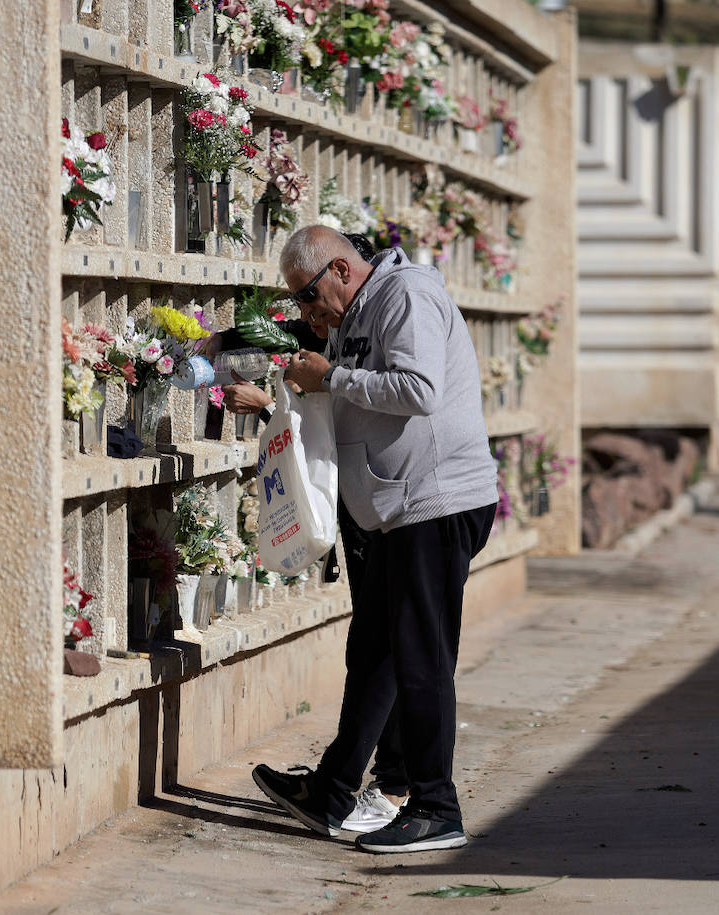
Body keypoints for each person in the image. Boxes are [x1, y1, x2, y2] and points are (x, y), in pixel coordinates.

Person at [224, 225, 497, 853]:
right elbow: (348, 404)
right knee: (375, 652)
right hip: (396, 511)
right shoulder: (355, 315)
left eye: (307, 294)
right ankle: (332, 790)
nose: (305, 309)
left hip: (434, 502)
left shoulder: (405, 295)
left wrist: (332, 378)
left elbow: (420, 391)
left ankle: (435, 806)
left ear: (341, 270)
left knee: (421, 658)